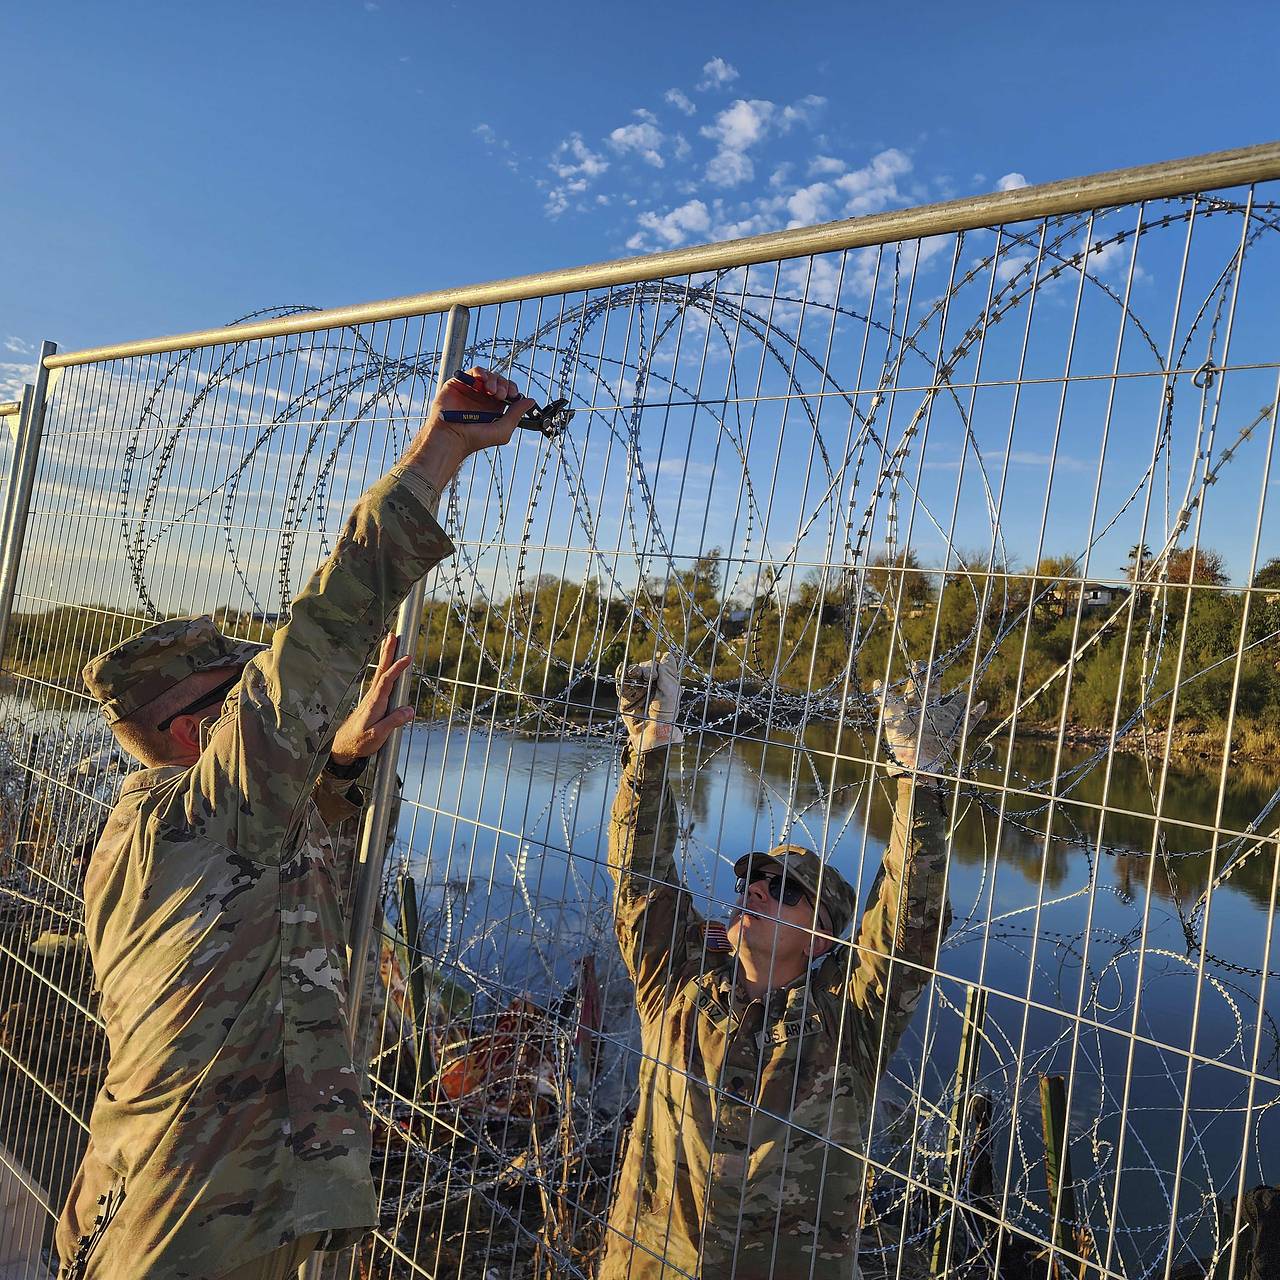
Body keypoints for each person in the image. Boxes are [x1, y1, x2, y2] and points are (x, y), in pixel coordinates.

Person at [54, 369, 532, 1280]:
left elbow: (266, 874)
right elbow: (321, 629)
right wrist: (443, 450)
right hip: (195, 1227)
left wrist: (343, 759)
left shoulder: (162, 824)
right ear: (197, 732)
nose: (262, 708)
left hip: (162, 1197)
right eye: (241, 699)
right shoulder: (208, 810)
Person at [601, 654, 984, 1279]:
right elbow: (641, 887)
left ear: (820, 938)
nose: (755, 890)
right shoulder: (676, 990)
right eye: (753, 879)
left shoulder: (847, 1027)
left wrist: (923, 781)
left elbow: (906, 929)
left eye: (783, 890)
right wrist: (650, 747)